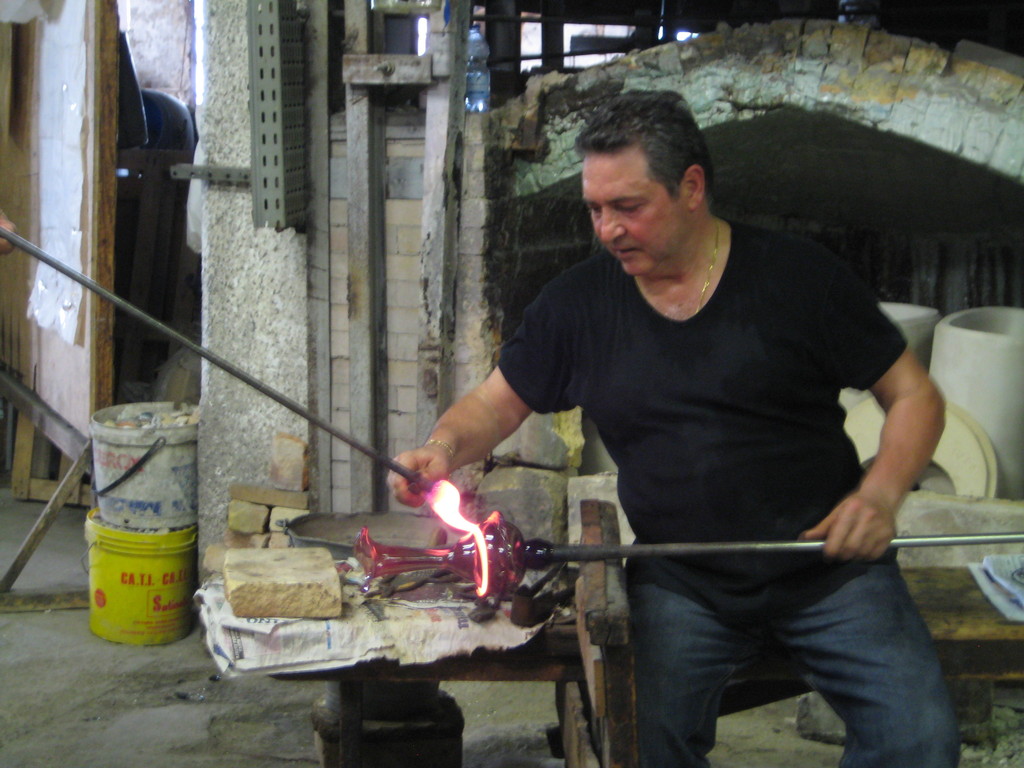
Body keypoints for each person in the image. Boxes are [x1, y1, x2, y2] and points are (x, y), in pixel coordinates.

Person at [389, 90, 959, 767]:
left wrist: (882, 495)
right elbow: (493, 405)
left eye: (629, 207)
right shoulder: (580, 305)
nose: (608, 230)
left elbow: (915, 396)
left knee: (919, 739)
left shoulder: (798, 279)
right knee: (644, 743)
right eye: (596, 210)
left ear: (692, 187)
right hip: (682, 578)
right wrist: (443, 449)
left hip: (827, 569)